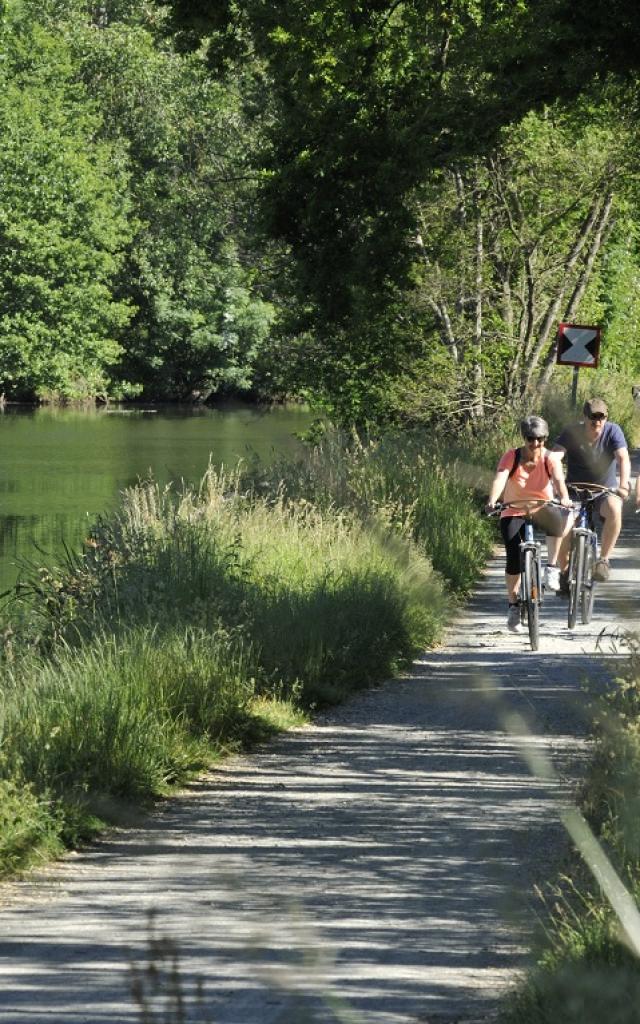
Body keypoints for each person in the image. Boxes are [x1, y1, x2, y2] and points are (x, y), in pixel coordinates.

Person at [486, 415, 572, 633]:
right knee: (513, 558)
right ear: (523, 438)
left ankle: (551, 568)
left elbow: (559, 481)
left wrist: (564, 497)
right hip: (513, 509)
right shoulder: (511, 456)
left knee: (556, 518)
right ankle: (514, 605)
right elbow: (500, 478)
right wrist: (493, 501)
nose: (535, 444)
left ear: (545, 438)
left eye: (540, 439)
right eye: (531, 439)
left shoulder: (550, 458)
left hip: (541, 507)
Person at [553, 398, 630, 582]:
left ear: (606, 417)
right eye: (593, 417)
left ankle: (603, 560)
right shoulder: (572, 432)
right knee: (563, 527)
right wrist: (553, 479)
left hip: (604, 490)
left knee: (614, 509)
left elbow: (623, 458)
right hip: (574, 491)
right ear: (584, 417)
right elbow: (555, 456)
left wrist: (624, 485)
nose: (597, 422)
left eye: (601, 417)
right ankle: (564, 572)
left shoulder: (613, 431)